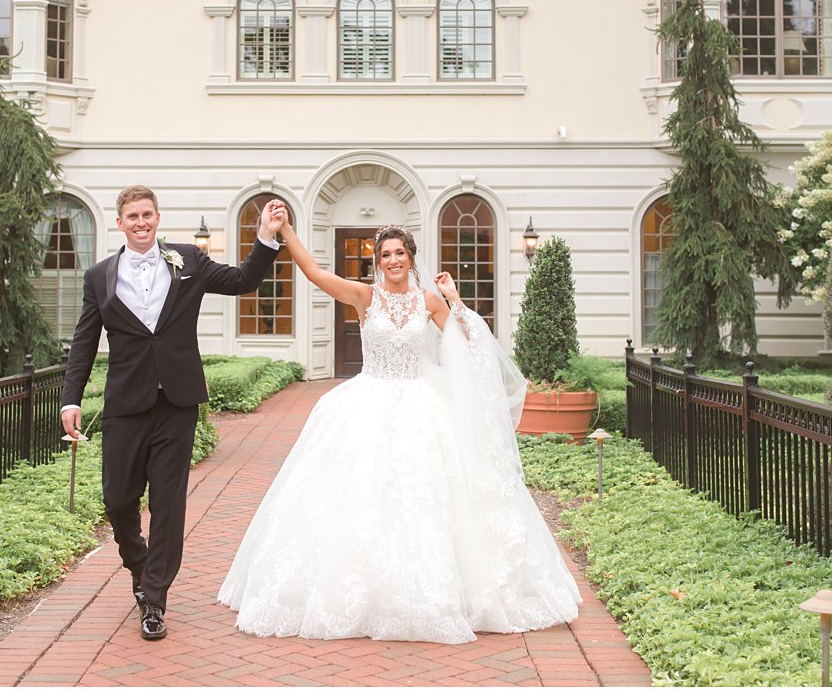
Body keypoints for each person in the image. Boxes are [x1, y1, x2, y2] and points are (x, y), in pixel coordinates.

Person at [218, 206, 581, 643]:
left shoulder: (428, 301)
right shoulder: (363, 297)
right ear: (378, 262)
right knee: (359, 496)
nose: (393, 261)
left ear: (411, 257)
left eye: (399, 254)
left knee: (425, 497)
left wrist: (455, 300)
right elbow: (314, 272)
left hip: (420, 405)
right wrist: (287, 231)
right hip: (367, 403)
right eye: (385, 255)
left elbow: (466, 345)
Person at [62, 185, 281, 641]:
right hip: (126, 404)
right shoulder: (99, 276)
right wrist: (71, 398)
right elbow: (84, 343)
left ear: (157, 218)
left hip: (177, 402)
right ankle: (139, 566)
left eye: (147, 215)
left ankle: (155, 600)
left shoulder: (189, 261)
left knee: (167, 503)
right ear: (120, 222)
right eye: (132, 216)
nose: (141, 223)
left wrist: (265, 236)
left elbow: (243, 281)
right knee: (118, 499)